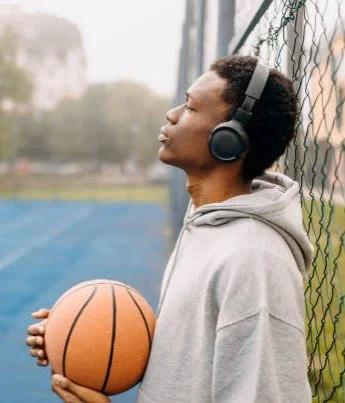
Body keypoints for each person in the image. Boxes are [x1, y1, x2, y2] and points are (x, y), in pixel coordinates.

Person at [26, 55, 313, 402]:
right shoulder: (208, 225)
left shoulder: (253, 260)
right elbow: (190, 363)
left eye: (190, 108)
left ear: (229, 139)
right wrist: (78, 335)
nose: (172, 114)